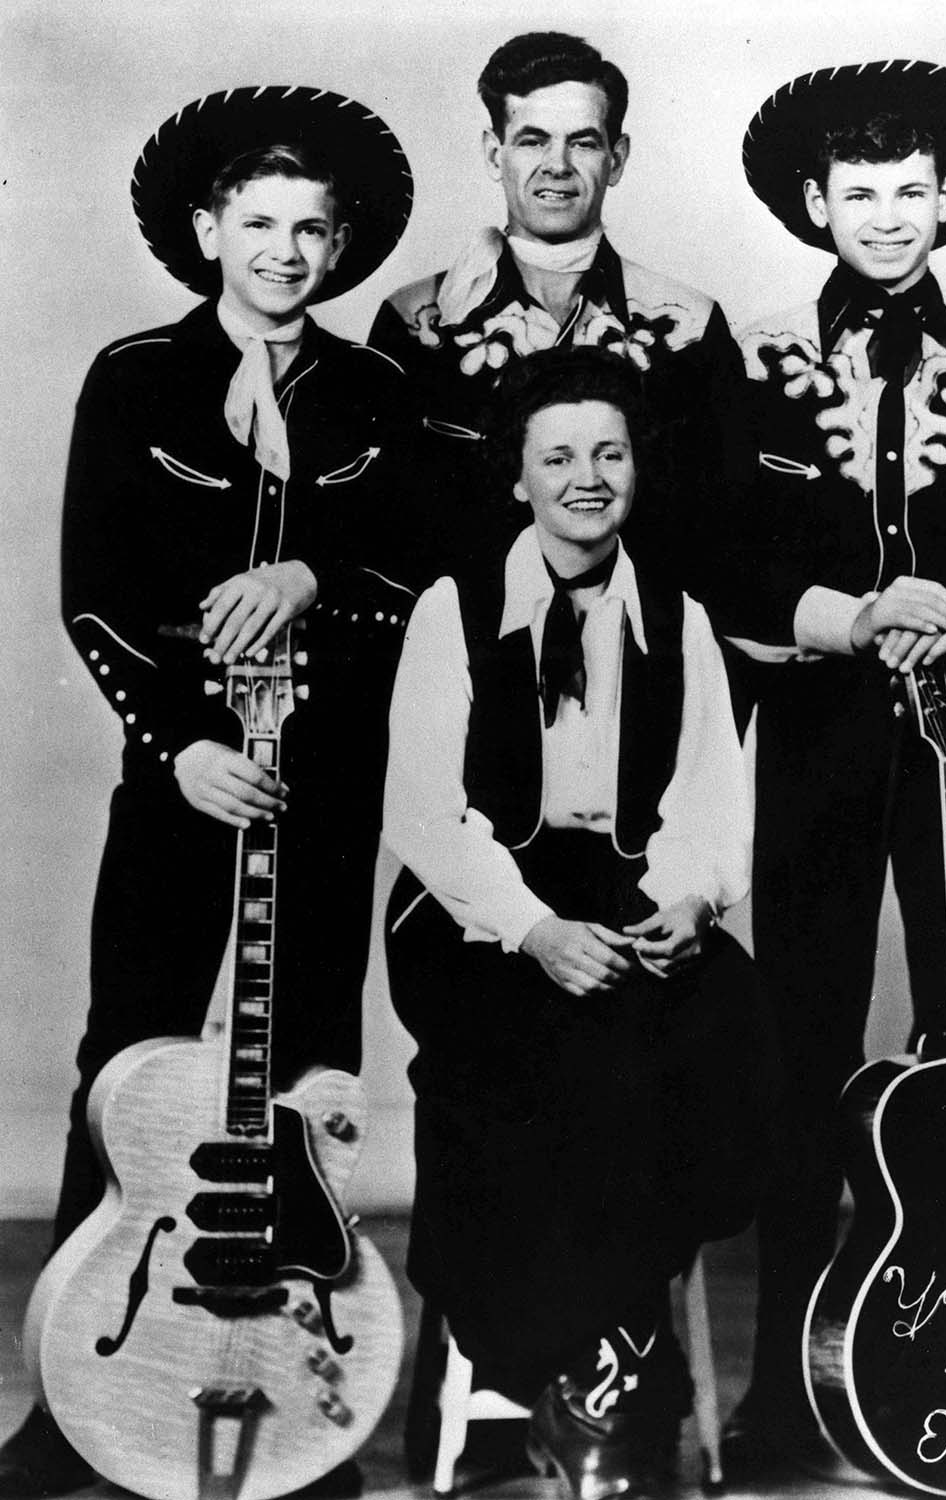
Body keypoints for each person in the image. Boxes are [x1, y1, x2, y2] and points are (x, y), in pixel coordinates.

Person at [0, 87, 423, 1497]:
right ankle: (75, 1407)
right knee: (125, 1061)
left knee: (305, 1062)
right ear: (205, 230)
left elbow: (421, 571)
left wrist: (312, 574)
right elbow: (97, 598)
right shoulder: (137, 378)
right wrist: (178, 745)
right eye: (258, 227)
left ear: (343, 238)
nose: (286, 253)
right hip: (184, 771)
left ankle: (299, 1399)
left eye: (312, 229)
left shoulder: (378, 394)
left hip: (328, 774)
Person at [705, 61, 946, 1478]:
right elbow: (720, 550)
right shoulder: (746, 359)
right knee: (803, 1047)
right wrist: (849, 620)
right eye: (856, 193)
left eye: (908, 192)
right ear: (816, 204)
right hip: (812, 733)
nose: (885, 217)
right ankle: (786, 1391)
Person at [382, 347, 778, 1499]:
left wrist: (690, 904)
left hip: (628, 892)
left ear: (635, 468)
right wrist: (530, 929)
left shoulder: (681, 615)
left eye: (607, 452)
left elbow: (712, 793)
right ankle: (593, 1369)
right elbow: (422, 810)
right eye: (557, 457)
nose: (586, 478)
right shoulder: (453, 607)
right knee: (561, 1061)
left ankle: (601, 1368)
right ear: (517, 479)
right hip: (479, 915)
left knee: (720, 1028)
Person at [368, 30, 741, 589]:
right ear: (495, 155)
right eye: (532, 141)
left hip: (642, 645)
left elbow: (724, 531)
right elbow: (382, 521)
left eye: (584, 143)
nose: (557, 165)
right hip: (465, 647)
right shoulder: (417, 321)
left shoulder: (688, 326)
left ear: (616, 159)